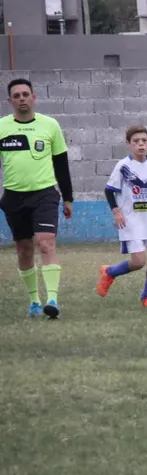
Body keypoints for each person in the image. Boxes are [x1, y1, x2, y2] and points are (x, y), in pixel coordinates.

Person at [0, 78, 74, 319]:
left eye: (25, 94)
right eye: (16, 95)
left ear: (34, 97)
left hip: (44, 194)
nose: (22, 98)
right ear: (10, 100)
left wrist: (68, 198)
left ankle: (52, 300)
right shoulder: (2, 127)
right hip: (13, 197)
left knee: (46, 242)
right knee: (24, 250)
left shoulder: (50, 125)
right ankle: (34, 301)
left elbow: (61, 164)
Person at [96, 125, 147, 308]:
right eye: (136, 141)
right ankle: (110, 272)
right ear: (129, 144)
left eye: (144, 140)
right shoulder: (123, 166)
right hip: (131, 220)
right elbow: (109, 190)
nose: (140, 144)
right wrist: (116, 212)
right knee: (138, 262)